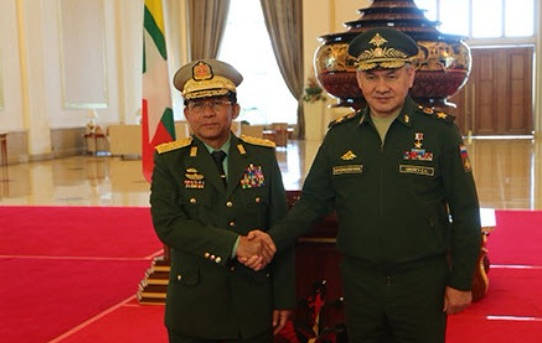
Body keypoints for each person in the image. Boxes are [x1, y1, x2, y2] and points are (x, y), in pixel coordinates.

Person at [248, 27, 482, 343]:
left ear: (410, 75)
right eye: (371, 77)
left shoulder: (440, 133)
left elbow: (466, 210)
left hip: (421, 281)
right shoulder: (341, 135)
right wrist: (272, 239)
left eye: (391, 75)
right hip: (360, 283)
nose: (381, 87)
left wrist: (461, 280)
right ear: (359, 79)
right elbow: (313, 202)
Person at [150, 59, 295, 343]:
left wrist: (283, 297)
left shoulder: (261, 156)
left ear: (235, 109)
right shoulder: (170, 160)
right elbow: (168, 225)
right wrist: (234, 244)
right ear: (187, 113)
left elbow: (280, 227)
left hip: (253, 303)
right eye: (198, 105)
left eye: (217, 103)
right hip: (195, 307)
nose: (208, 113)